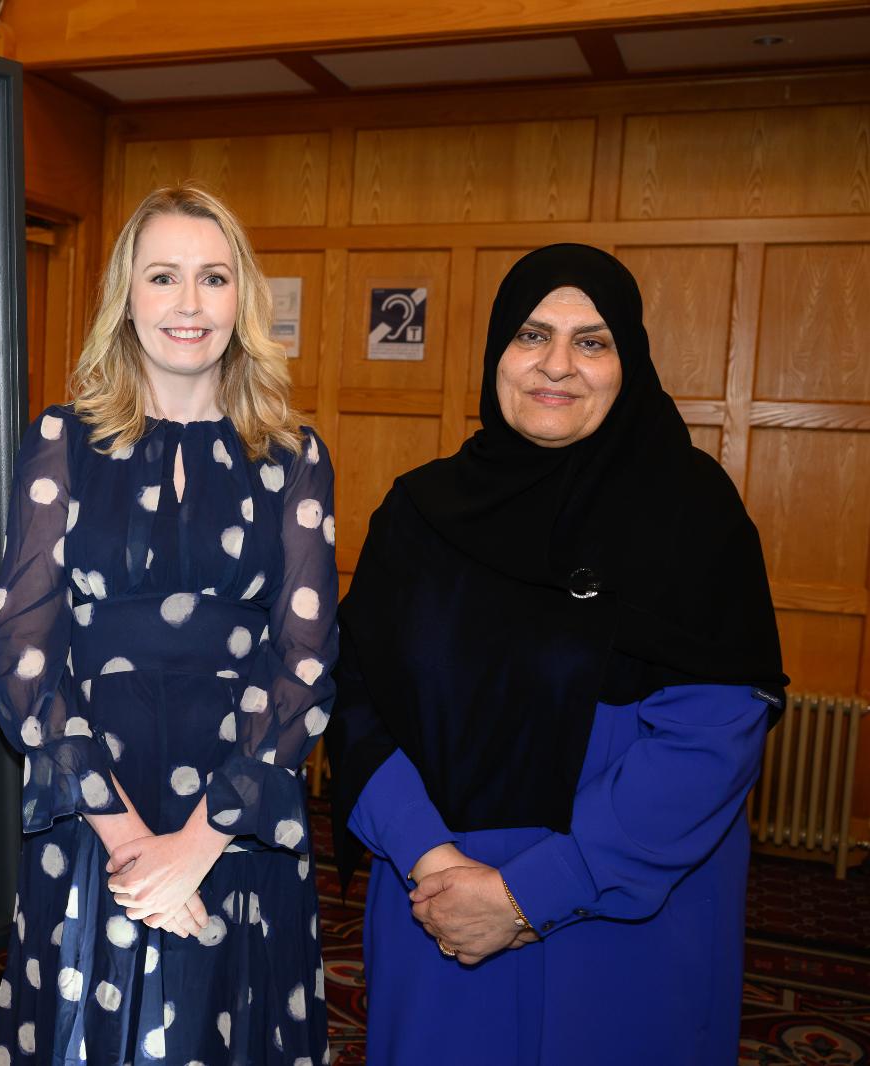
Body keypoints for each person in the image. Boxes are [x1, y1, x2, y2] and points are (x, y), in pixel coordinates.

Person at [327, 244, 788, 1065]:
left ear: (628, 362)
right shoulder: (418, 510)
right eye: (532, 334)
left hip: (620, 918)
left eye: (592, 341)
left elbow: (713, 737)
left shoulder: (692, 513)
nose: (556, 365)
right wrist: (435, 861)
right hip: (436, 902)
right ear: (497, 350)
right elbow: (356, 696)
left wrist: (524, 896)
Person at [0, 185, 337, 1065]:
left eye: (212, 278)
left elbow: (306, 663)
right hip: (93, 813)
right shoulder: (60, 441)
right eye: (163, 277)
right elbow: (21, 651)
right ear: (125, 297)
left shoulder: (294, 456)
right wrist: (136, 844)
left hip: (239, 816)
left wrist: (199, 841)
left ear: (241, 300)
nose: (188, 304)